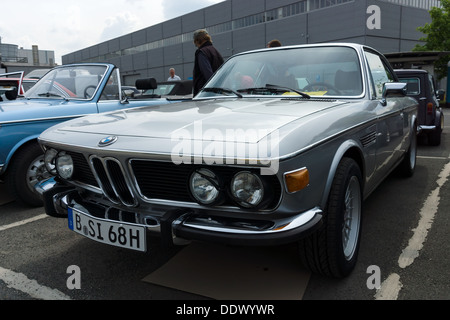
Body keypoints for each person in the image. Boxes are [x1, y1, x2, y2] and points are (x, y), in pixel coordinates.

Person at [192, 29, 224, 96]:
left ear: (197, 40)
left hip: (206, 93)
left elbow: (207, 73)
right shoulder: (216, 51)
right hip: (219, 91)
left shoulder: (201, 52)